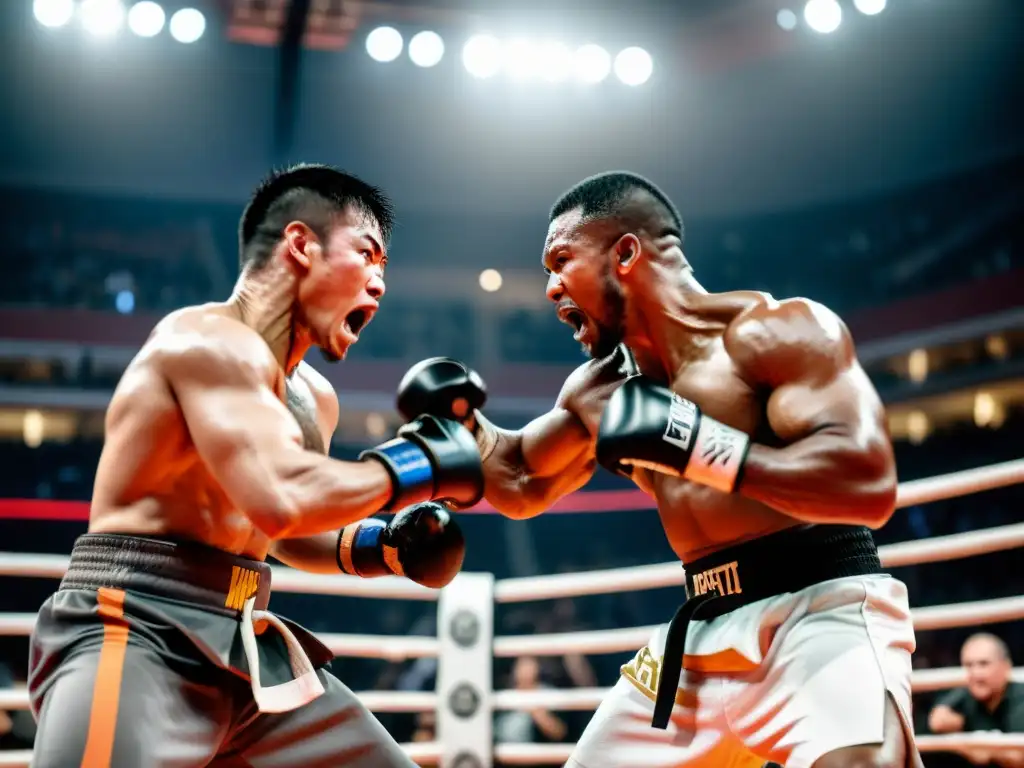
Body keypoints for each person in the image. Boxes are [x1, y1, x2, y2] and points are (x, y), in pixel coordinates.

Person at [396, 171, 922, 767]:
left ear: (625, 252)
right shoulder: (601, 388)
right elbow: (520, 479)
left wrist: (700, 446)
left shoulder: (775, 332)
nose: (548, 288)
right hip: (700, 632)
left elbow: (867, 484)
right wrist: (466, 427)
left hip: (819, 611)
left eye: (561, 260)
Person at [28, 164, 484, 767]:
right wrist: (415, 460)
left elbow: (284, 530)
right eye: (368, 255)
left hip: (242, 644)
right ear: (300, 244)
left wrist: (386, 546)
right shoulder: (204, 341)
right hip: (133, 624)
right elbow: (282, 495)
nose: (379, 283)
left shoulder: (314, 397)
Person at [928, 633, 1024, 767]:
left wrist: (986, 750)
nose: (975, 673)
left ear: (1005, 666)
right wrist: (961, 729)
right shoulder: (970, 692)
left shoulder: (1020, 697)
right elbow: (938, 720)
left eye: (983, 664)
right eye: (968, 665)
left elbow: (1020, 758)